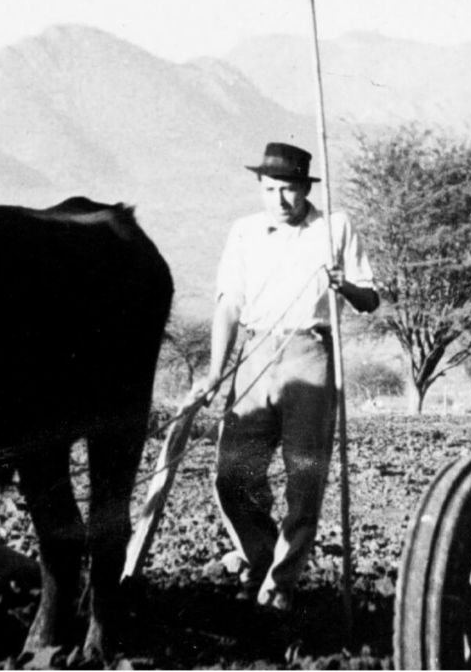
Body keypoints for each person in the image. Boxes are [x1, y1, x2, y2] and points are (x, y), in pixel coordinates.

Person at [192, 141, 380, 611]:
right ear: (259, 187)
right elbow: (228, 303)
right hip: (255, 353)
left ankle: (280, 585)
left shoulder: (335, 227)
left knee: (305, 477)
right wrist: (216, 371)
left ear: (305, 190)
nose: (278, 199)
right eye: (270, 188)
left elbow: (371, 299)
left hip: (309, 353)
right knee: (232, 474)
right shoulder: (243, 232)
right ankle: (261, 558)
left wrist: (346, 286)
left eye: (288, 190)